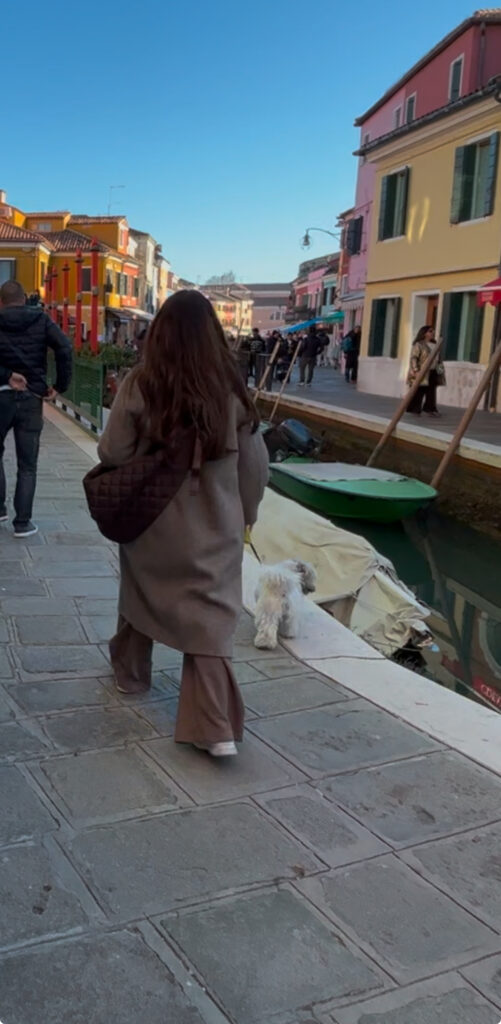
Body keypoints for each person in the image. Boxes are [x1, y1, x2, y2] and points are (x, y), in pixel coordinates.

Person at [97, 289, 269, 758]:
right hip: (213, 529)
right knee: (209, 619)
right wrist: (246, 516)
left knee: (140, 589)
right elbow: (254, 470)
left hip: (153, 523)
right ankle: (213, 727)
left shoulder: (142, 382)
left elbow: (111, 452)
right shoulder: (233, 391)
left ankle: (131, 675)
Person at [0, 280, 72, 537]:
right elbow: (64, 347)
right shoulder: (41, 320)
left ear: (1, 301)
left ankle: (0, 509)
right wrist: (59, 385)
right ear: (23, 299)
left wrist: (6, 375)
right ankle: (22, 523)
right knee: (27, 464)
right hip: (31, 397)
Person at [407, 325, 445, 416]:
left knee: (431, 391)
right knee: (419, 390)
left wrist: (440, 372)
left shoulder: (435, 345)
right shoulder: (419, 344)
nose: (433, 333)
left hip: (433, 371)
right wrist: (415, 370)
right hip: (422, 371)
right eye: (430, 331)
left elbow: (438, 359)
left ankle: (430, 409)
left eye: (433, 331)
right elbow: (414, 357)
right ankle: (415, 409)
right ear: (424, 333)